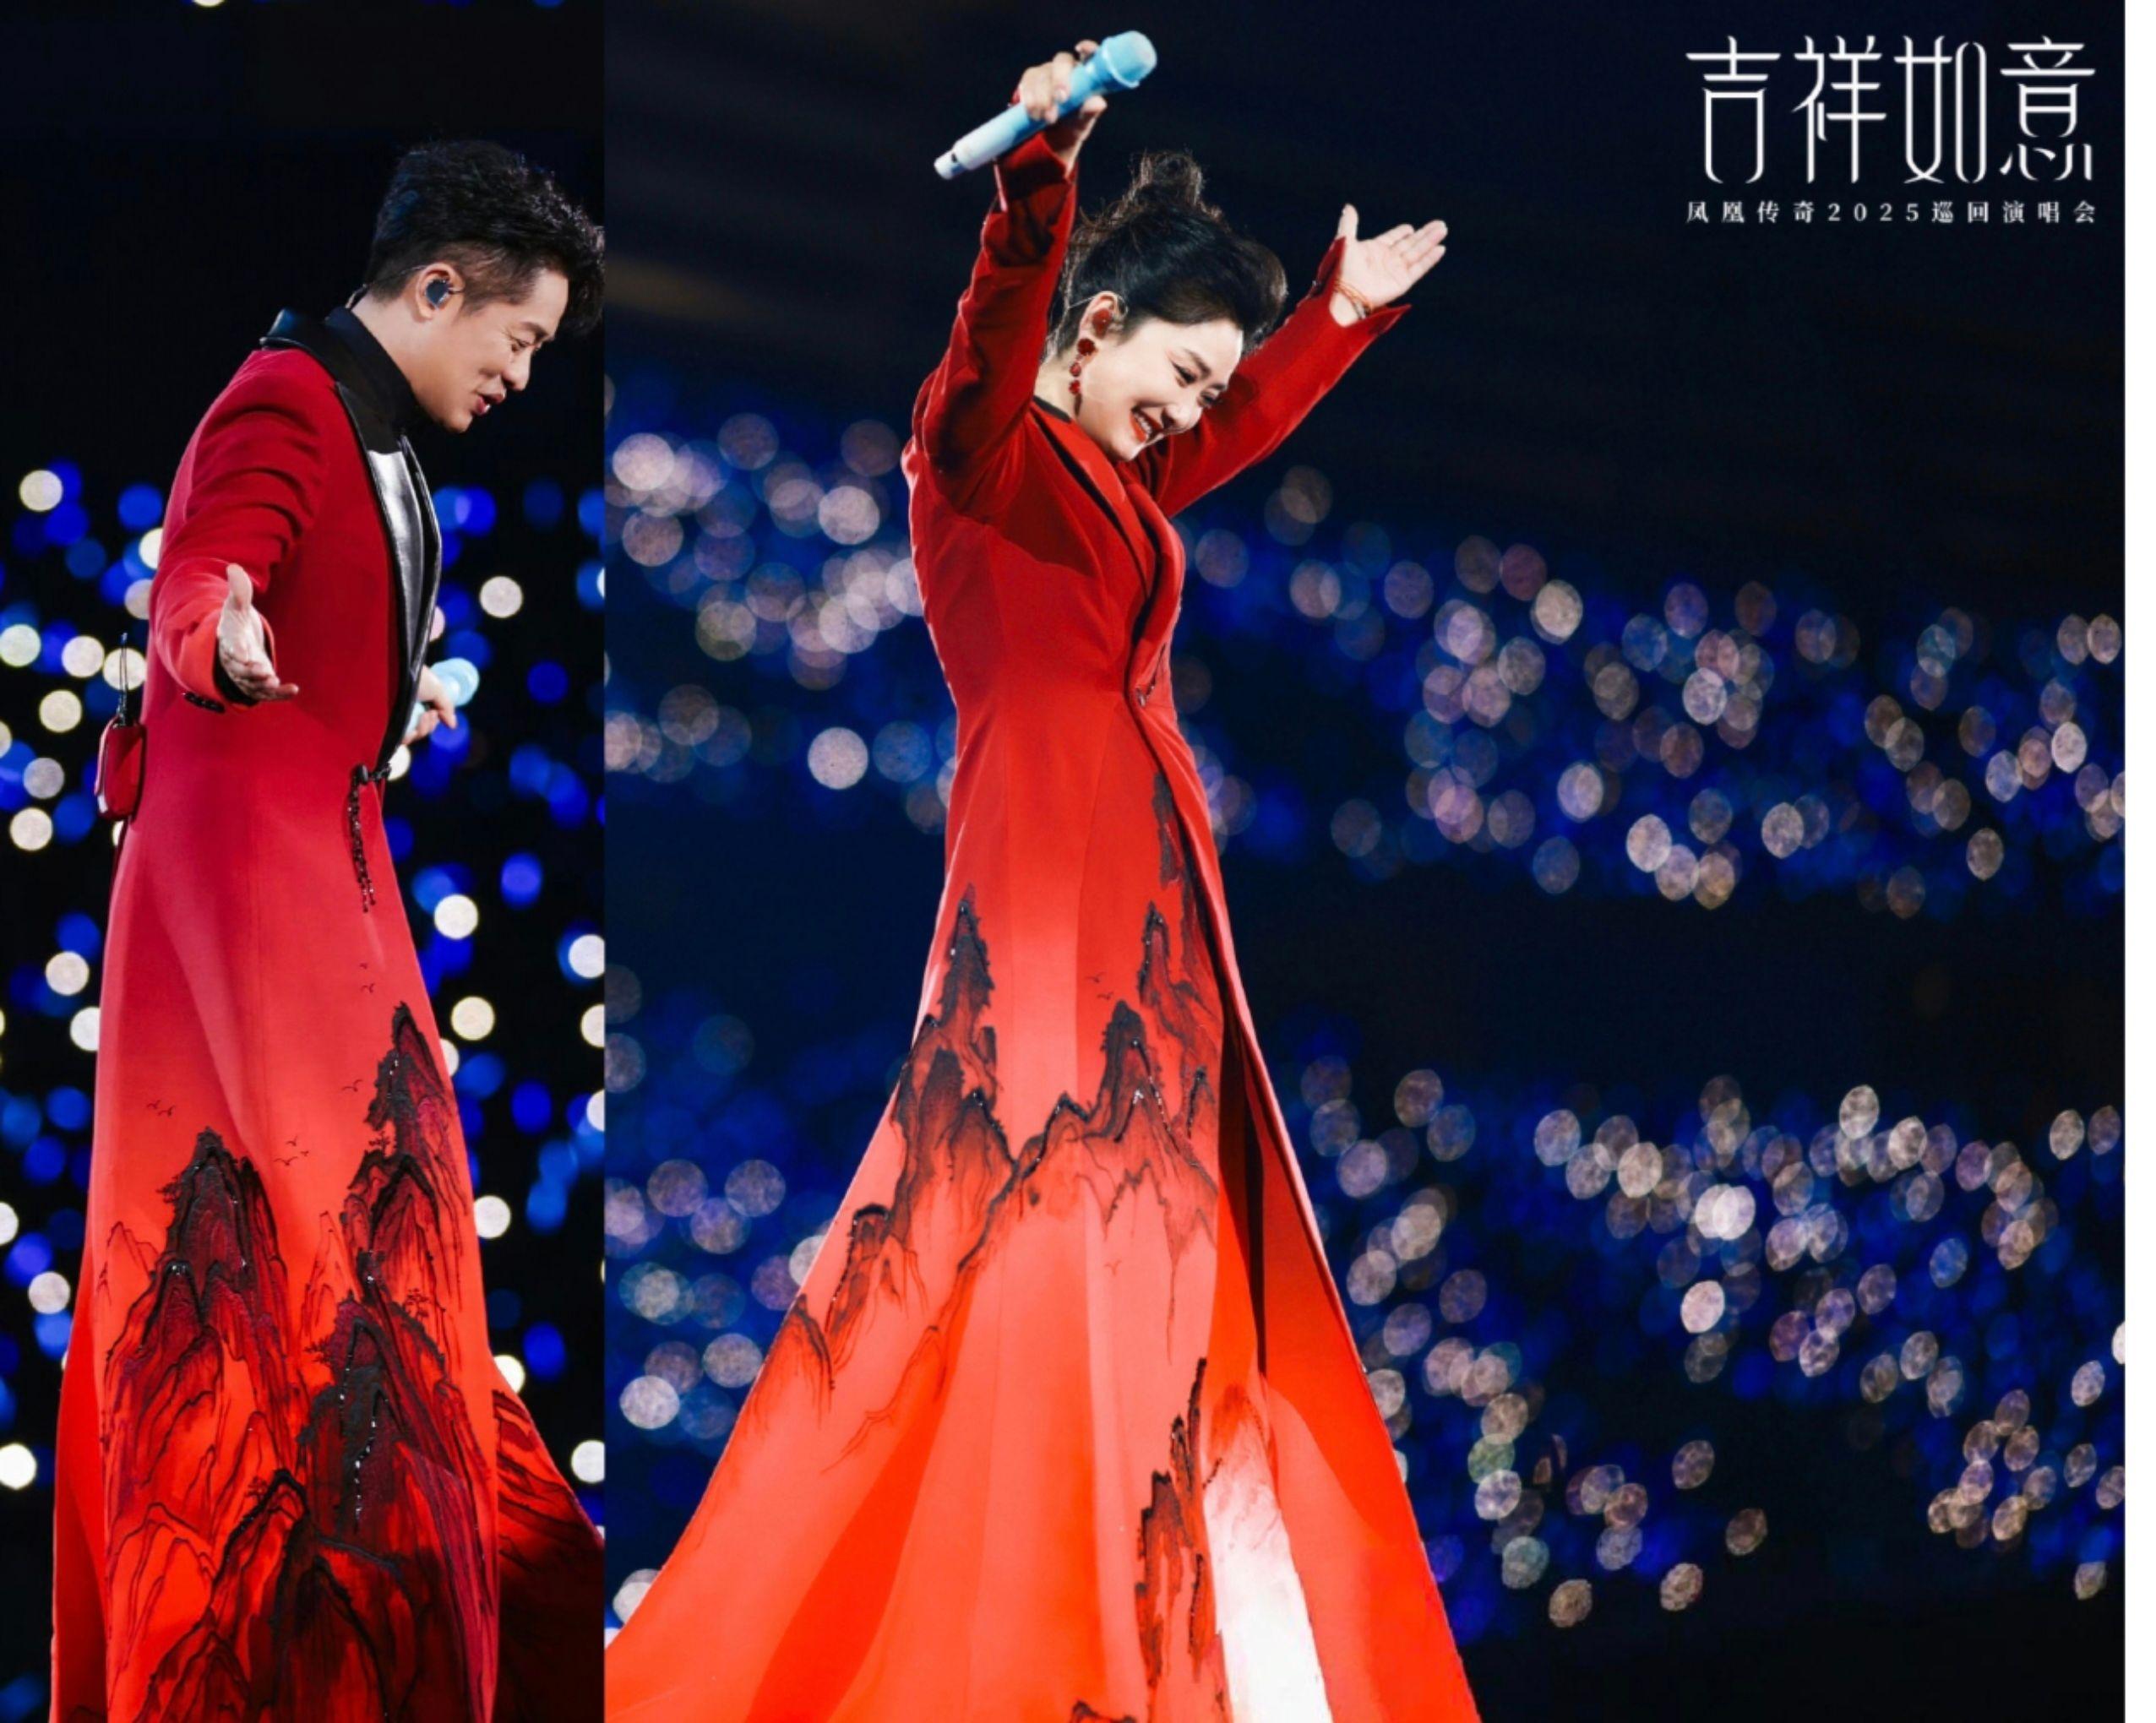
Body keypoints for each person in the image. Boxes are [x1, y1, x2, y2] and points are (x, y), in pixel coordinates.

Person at [607, 40, 1473, 1721]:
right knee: (1051, 1246)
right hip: (1051, 911)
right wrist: (1038, 182)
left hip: (1154, 932)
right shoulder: (981, 460)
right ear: (1096, 330)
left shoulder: (1113, 486)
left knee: (1161, 1273)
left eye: (1209, 391)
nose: (1194, 411)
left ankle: (1125, 1653)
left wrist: (1336, 318)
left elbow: (1229, 431)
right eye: (1182, 373)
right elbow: (995, 329)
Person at [50, 140, 606, 1722]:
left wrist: (385, 698)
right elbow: (208, 565)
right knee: (304, 1285)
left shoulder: (376, 432)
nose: (520, 373)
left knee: (374, 1289)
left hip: (325, 885)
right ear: (434, 289)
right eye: (516, 337)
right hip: (254, 914)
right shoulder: (284, 401)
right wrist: (210, 633)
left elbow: (313, 601)